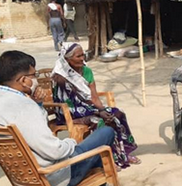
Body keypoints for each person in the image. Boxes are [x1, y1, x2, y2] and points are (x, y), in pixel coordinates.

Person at [0, 50, 120, 186]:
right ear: (23, 80)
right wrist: (72, 142)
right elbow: (55, 151)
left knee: (94, 151)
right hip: (53, 177)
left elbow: (33, 133)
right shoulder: (23, 106)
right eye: (34, 75)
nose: (36, 79)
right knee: (105, 134)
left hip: (24, 180)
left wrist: (38, 104)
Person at [52, 42, 140, 170]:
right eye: (78, 56)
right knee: (99, 121)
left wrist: (103, 110)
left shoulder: (87, 71)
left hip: (88, 108)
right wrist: (99, 113)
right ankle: (107, 160)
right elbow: (68, 101)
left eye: (83, 55)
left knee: (116, 114)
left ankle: (123, 154)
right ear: (67, 59)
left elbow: (93, 97)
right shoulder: (60, 76)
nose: (82, 58)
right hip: (69, 112)